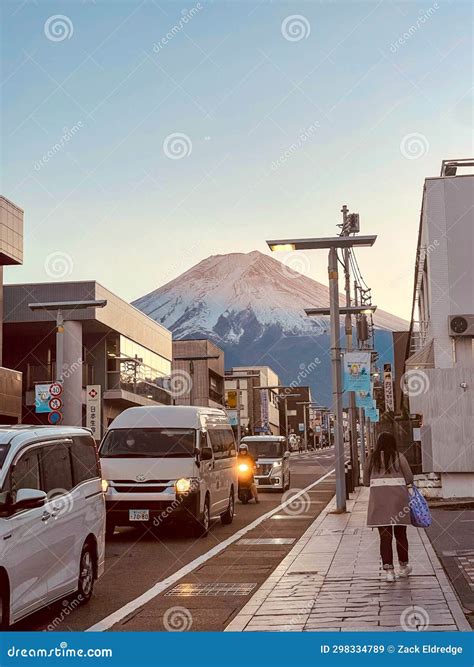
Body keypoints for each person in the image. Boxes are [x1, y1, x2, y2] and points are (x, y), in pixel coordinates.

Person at [363, 432, 414, 582]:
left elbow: (366, 481)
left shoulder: (371, 459)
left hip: (379, 503)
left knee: (385, 537)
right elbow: (409, 478)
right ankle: (403, 567)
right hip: (399, 503)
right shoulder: (399, 457)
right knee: (401, 535)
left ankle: (389, 571)